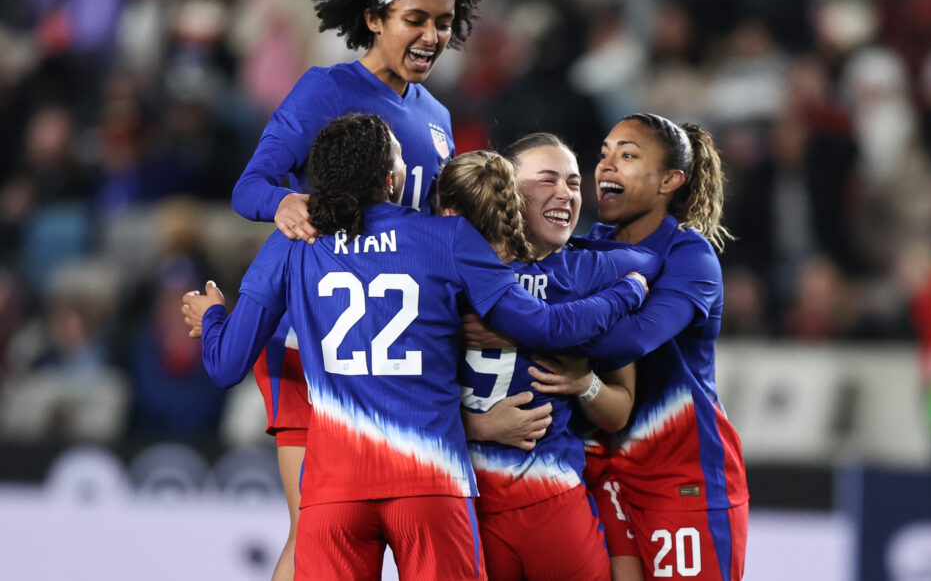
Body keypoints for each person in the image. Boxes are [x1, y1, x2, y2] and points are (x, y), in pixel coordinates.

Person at [182, 114, 652, 580]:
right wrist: (626, 293)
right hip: (431, 484)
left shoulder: (291, 244)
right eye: (403, 158)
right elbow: (546, 328)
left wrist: (212, 317)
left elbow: (225, 366)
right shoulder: (448, 239)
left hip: (336, 490)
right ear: (391, 178)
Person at [228, 0, 495, 578]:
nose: (432, 35)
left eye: (443, 21)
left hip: (398, 352)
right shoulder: (326, 89)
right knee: (313, 528)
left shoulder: (437, 117)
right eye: (416, 19)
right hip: (316, 342)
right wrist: (285, 201)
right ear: (374, 18)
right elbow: (249, 185)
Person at [446, 134, 657, 581]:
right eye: (548, 180)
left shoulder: (586, 271)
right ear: (504, 188)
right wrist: (479, 425)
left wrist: (585, 382)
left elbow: (618, 411)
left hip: (546, 495)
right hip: (463, 500)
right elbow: (398, 391)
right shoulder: (447, 270)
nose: (565, 193)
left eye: (575, 183)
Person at [577, 113, 749, 580]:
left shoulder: (690, 256)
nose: (607, 165)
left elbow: (635, 337)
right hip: (607, 475)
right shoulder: (591, 246)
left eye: (628, 156)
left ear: (670, 180)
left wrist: (546, 333)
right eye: (605, 153)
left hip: (684, 480)